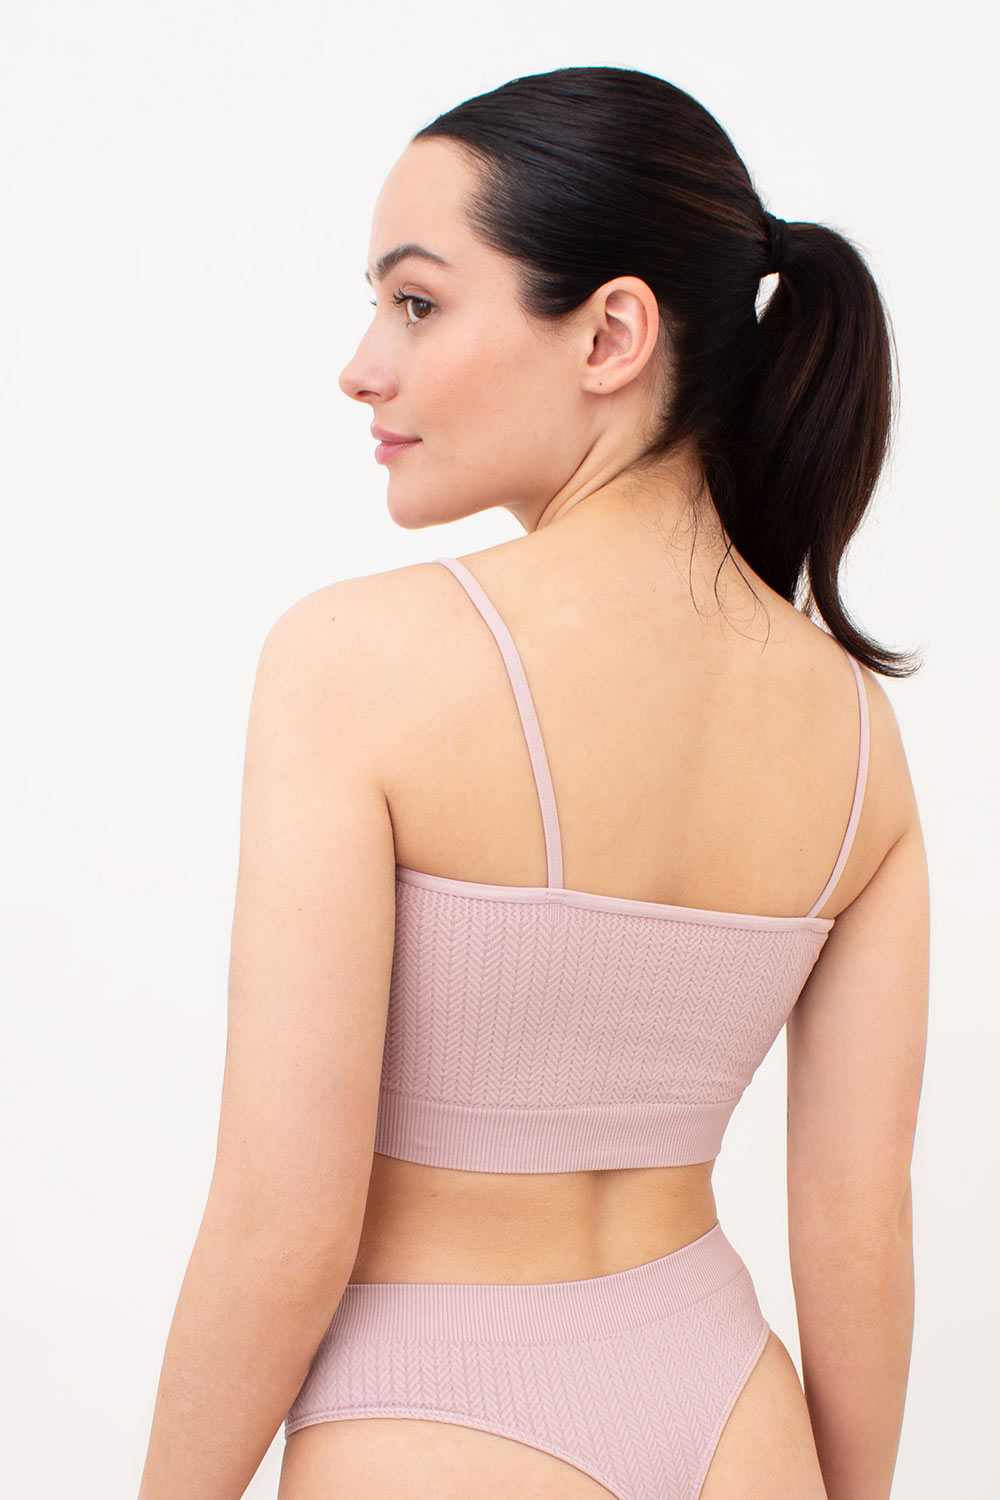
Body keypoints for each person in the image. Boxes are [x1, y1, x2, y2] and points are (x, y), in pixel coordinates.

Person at [137, 66, 929, 1500]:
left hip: (438, 1415)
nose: (362, 365)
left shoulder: (357, 660)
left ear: (612, 333)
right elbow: (858, 1229)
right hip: (736, 1418)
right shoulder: (857, 731)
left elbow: (280, 1225)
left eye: (416, 303)